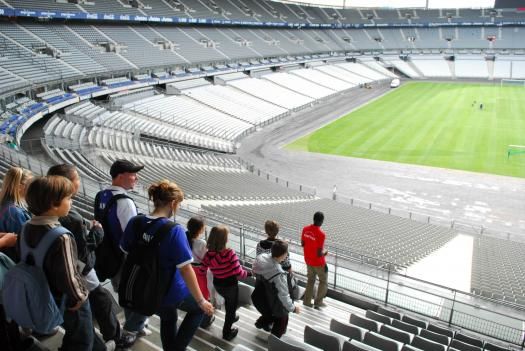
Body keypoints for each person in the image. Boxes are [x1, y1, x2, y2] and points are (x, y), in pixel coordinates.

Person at [121, 180, 214, 351]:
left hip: (143, 288)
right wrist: (201, 300)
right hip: (169, 291)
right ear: (173, 203)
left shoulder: (135, 222)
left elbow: (126, 250)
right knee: (198, 310)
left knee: (168, 317)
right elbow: (186, 268)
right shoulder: (174, 230)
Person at [22, 176, 110, 351]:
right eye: (68, 198)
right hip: (68, 300)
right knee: (82, 340)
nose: (71, 202)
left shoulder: (26, 226)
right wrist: (79, 296)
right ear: (54, 204)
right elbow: (69, 274)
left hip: (44, 293)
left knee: (75, 334)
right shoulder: (62, 236)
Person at [47, 164, 121, 345]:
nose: (79, 182)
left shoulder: (45, 207)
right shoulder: (72, 217)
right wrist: (97, 231)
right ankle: (114, 336)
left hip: (58, 273)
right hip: (80, 272)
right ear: (68, 183)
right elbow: (84, 249)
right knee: (101, 301)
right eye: (77, 178)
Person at [94, 159, 149, 346]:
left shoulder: (101, 195)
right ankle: (132, 328)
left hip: (108, 255)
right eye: (133, 174)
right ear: (120, 176)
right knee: (139, 294)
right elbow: (132, 237)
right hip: (124, 258)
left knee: (124, 294)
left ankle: (136, 326)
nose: (136, 178)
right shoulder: (125, 202)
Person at [201, 225, 251, 340]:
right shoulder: (229, 253)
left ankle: (232, 316)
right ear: (224, 239)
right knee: (231, 307)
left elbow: (203, 269)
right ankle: (227, 333)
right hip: (230, 286)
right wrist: (250, 274)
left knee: (229, 304)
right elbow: (239, 273)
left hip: (218, 284)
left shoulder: (208, 254)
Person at [252, 239, 300, 338]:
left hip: (260, 297)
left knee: (270, 314)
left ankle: (261, 323)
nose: (287, 255)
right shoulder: (278, 274)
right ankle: (275, 340)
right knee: (282, 318)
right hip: (273, 302)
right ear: (282, 255)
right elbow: (284, 296)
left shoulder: (260, 257)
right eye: (286, 253)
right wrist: (294, 308)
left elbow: (254, 270)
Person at [255, 220, 293, 331]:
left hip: (262, 279)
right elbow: (286, 265)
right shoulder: (282, 246)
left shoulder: (259, 244)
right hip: (275, 280)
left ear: (266, 231)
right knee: (277, 303)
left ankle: (265, 321)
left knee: (266, 302)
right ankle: (274, 325)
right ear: (278, 231)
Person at [186, 216, 215, 328]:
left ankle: (195, 314)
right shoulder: (202, 243)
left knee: (193, 293)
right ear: (200, 230)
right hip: (200, 272)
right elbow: (206, 258)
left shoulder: (185, 238)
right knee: (204, 295)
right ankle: (205, 320)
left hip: (189, 269)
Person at [0, 167, 32, 261]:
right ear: (19, 187)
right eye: (31, 185)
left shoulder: (7, 205)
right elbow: (22, 243)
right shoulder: (15, 212)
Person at [301, 211, 328, 309]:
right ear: (321, 221)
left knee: (311, 280)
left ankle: (306, 302)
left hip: (308, 260)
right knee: (323, 281)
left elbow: (303, 244)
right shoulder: (321, 234)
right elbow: (318, 254)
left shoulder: (305, 229)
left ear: (314, 219)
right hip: (318, 263)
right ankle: (318, 302)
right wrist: (325, 253)